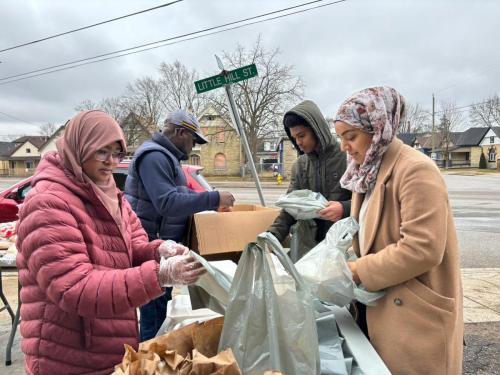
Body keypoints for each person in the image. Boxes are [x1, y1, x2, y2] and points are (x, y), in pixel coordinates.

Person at [15, 111, 205, 375]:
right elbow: (74, 288)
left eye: (117, 153)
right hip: (67, 351)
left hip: (106, 340)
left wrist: (158, 251)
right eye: (101, 152)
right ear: (80, 147)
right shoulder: (47, 203)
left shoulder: (109, 193)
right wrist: (158, 275)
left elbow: (132, 247)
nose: (110, 162)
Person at [334, 87, 463, 375]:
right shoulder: (367, 172)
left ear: (378, 128)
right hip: (382, 307)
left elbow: (422, 249)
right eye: (340, 138)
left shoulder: (416, 169)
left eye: (351, 136)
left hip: (415, 316)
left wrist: (356, 270)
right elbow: (368, 237)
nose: (344, 146)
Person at [125, 109, 235, 340]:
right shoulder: (155, 156)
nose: (193, 146)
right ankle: (147, 363)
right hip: (152, 247)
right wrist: (214, 198)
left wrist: (211, 203)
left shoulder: (166, 158)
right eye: (193, 140)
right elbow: (167, 202)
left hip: (162, 246)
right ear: (180, 132)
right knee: (154, 315)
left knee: (158, 307)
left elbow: (177, 193)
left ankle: (151, 358)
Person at [267, 100, 351, 258]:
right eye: (294, 138)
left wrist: (343, 208)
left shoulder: (348, 157)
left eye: (302, 135)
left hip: (343, 247)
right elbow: (290, 209)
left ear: (317, 130)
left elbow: (370, 203)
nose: (298, 142)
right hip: (308, 250)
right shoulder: (300, 166)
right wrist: (272, 237)